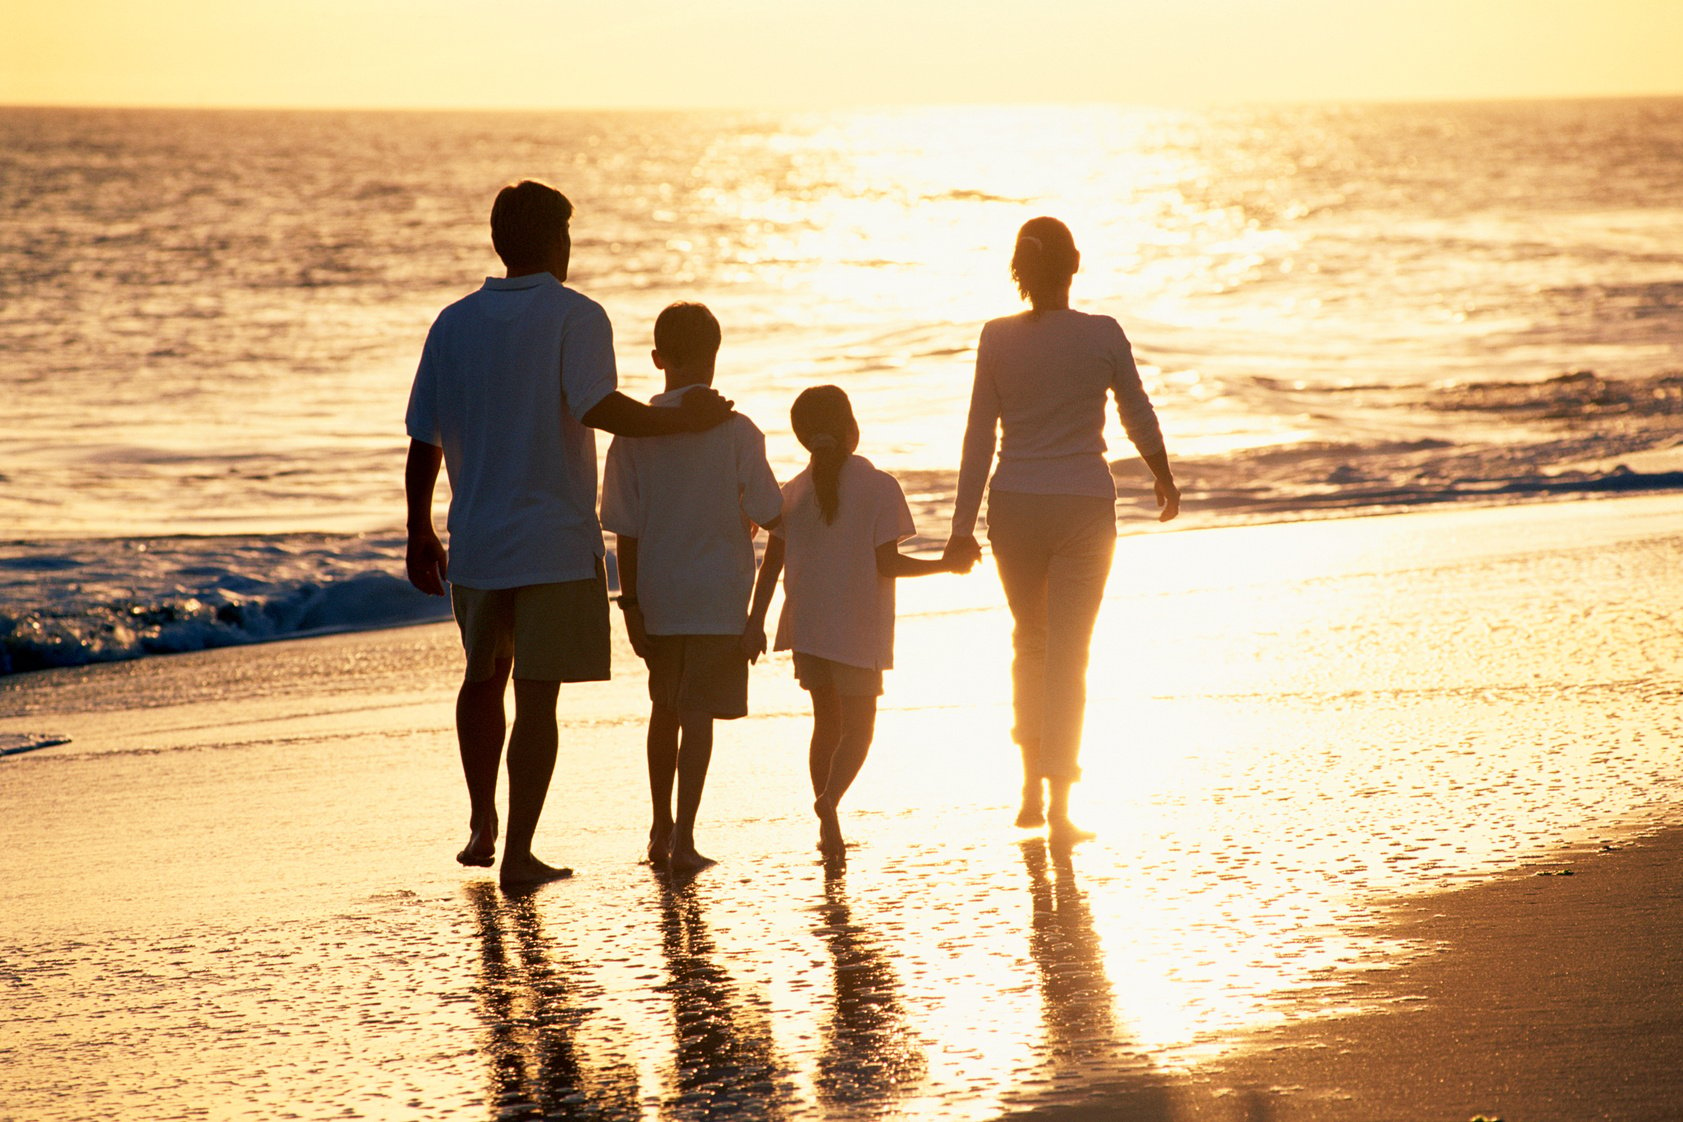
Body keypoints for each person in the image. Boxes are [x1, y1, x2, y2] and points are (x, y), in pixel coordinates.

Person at [404, 180, 734, 890]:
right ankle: (519, 851)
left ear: (500, 242)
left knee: (480, 679)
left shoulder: (452, 322)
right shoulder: (576, 315)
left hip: (478, 539)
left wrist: (417, 528)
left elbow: (423, 436)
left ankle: (480, 820)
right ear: (557, 242)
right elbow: (601, 407)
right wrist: (684, 419)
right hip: (553, 541)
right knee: (537, 696)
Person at [943, 216, 1179, 848]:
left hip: (1014, 504)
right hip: (1082, 504)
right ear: (1074, 264)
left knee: (1033, 641)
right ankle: (1058, 805)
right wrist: (1163, 475)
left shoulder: (995, 338)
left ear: (1021, 269)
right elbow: (1137, 410)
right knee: (1069, 652)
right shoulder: (1102, 334)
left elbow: (977, 436)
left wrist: (961, 527)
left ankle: (1027, 785)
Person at [746, 385, 974, 864]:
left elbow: (770, 565)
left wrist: (755, 622)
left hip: (806, 624)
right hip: (855, 626)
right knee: (860, 729)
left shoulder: (792, 493)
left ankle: (828, 825)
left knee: (825, 724)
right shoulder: (879, 486)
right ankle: (829, 802)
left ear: (803, 437)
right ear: (852, 428)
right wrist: (945, 565)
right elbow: (887, 564)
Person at [599, 302, 783, 874]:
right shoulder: (739, 431)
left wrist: (629, 606)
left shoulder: (632, 436)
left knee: (664, 710)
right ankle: (685, 837)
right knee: (698, 716)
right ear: (715, 356)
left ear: (658, 359)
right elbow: (774, 514)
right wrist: (758, 613)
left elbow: (624, 529)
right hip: (719, 598)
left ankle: (659, 828)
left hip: (658, 595)